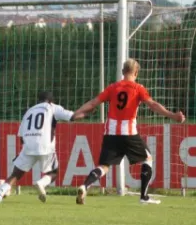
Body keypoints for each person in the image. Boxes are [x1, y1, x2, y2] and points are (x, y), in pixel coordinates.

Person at [73, 58, 185, 205]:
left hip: (111, 133)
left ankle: (85, 185)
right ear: (136, 73)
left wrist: (75, 114)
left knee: (104, 166)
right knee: (148, 158)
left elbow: (93, 102)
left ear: (122, 72)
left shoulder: (113, 88)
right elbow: (153, 105)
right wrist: (172, 115)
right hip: (129, 133)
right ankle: (144, 197)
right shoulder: (138, 88)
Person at [0, 91, 85, 204]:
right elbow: (73, 116)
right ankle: (41, 183)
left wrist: (25, 148)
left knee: (15, 175)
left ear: (38, 100)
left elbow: (21, 136)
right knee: (54, 172)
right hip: (45, 145)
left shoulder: (29, 111)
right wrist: (88, 111)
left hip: (28, 145)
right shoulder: (52, 107)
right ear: (51, 101)